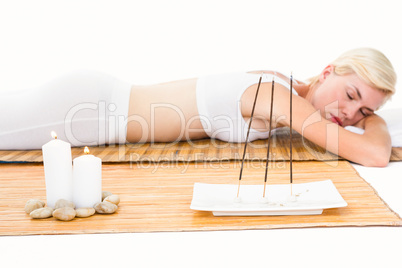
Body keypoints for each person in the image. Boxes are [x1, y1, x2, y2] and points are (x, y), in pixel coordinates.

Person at [0, 48, 396, 167]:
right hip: (91, 111)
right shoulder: (281, 98)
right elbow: (374, 154)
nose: (350, 114)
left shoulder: (287, 85)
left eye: (364, 111)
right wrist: (376, 122)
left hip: (97, 100)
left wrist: (365, 112)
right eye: (351, 95)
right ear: (328, 72)